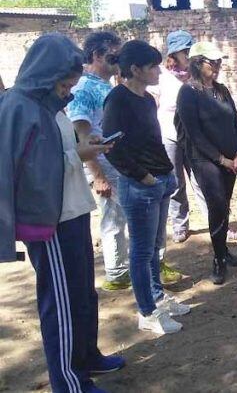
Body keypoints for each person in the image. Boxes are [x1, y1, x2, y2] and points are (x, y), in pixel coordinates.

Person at [0, 33, 123, 393]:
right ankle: (68, 382)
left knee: (83, 292)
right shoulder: (17, 107)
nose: (70, 86)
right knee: (60, 302)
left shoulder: (51, 105)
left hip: (74, 210)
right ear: (46, 72)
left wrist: (85, 148)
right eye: (65, 79)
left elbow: (58, 152)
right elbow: (19, 167)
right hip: (49, 220)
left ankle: (87, 357)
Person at [103, 40, 189, 335]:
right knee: (140, 252)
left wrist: (167, 174)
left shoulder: (146, 99)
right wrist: (143, 177)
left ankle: (158, 297)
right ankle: (147, 312)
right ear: (136, 69)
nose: (158, 70)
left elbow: (154, 140)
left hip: (160, 180)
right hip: (140, 186)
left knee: (154, 247)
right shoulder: (117, 99)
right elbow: (111, 148)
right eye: (153, 66)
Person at [67, 31, 133, 292]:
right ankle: (117, 272)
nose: (117, 60)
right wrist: (97, 175)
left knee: (119, 217)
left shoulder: (105, 85)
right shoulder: (84, 88)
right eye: (112, 55)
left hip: (115, 161)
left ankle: (120, 269)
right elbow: (79, 133)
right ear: (96, 55)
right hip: (104, 164)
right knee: (116, 217)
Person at [175, 42, 237, 284]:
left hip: (230, 159)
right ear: (197, 63)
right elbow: (194, 134)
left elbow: (236, 123)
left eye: (219, 62)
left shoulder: (222, 90)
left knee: (224, 205)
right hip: (205, 160)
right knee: (216, 206)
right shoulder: (188, 92)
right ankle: (218, 258)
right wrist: (221, 159)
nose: (217, 66)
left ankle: (224, 249)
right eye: (211, 62)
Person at [147, 30, 201, 284]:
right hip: (169, 136)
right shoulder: (162, 79)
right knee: (176, 183)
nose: (188, 56)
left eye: (190, 51)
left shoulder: (195, 75)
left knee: (202, 179)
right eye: (184, 51)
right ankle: (180, 225)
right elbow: (152, 108)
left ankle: (217, 221)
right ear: (174, 54)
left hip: (193, 136)